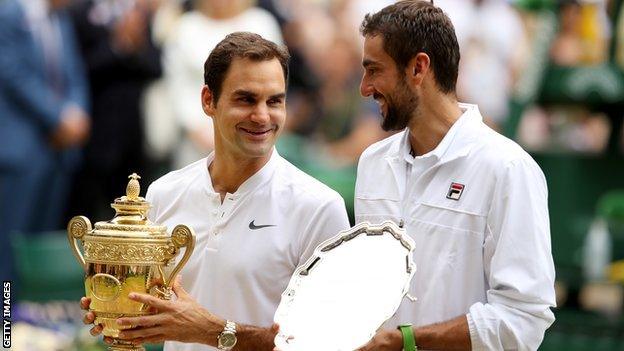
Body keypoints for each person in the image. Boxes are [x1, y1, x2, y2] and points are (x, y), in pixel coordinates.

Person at [81, 32, 350, 351]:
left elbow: (334, 341)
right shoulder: (163, 193)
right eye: (246, 99)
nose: (263, 116)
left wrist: (213, 331)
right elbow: (154, 306)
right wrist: (115, 307)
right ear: (208, 100)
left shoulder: (319, 207)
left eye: (274, 101)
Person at [353, 1, 556, 350]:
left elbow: (524, 320)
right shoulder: (372, 162)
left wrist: (408, 342)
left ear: (418, 68)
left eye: (374, 70)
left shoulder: (508, 169)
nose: (364, 87)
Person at [0, 0, 90, 283]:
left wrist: (77, 114)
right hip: (21, 152)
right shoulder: (9, 13)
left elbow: (75, 74)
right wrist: (59, 117)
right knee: (10, 248)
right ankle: (5, 323)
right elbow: (14, 75)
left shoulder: (60, 19)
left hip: (59, 152)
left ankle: (30, 322)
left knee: (37, 252)